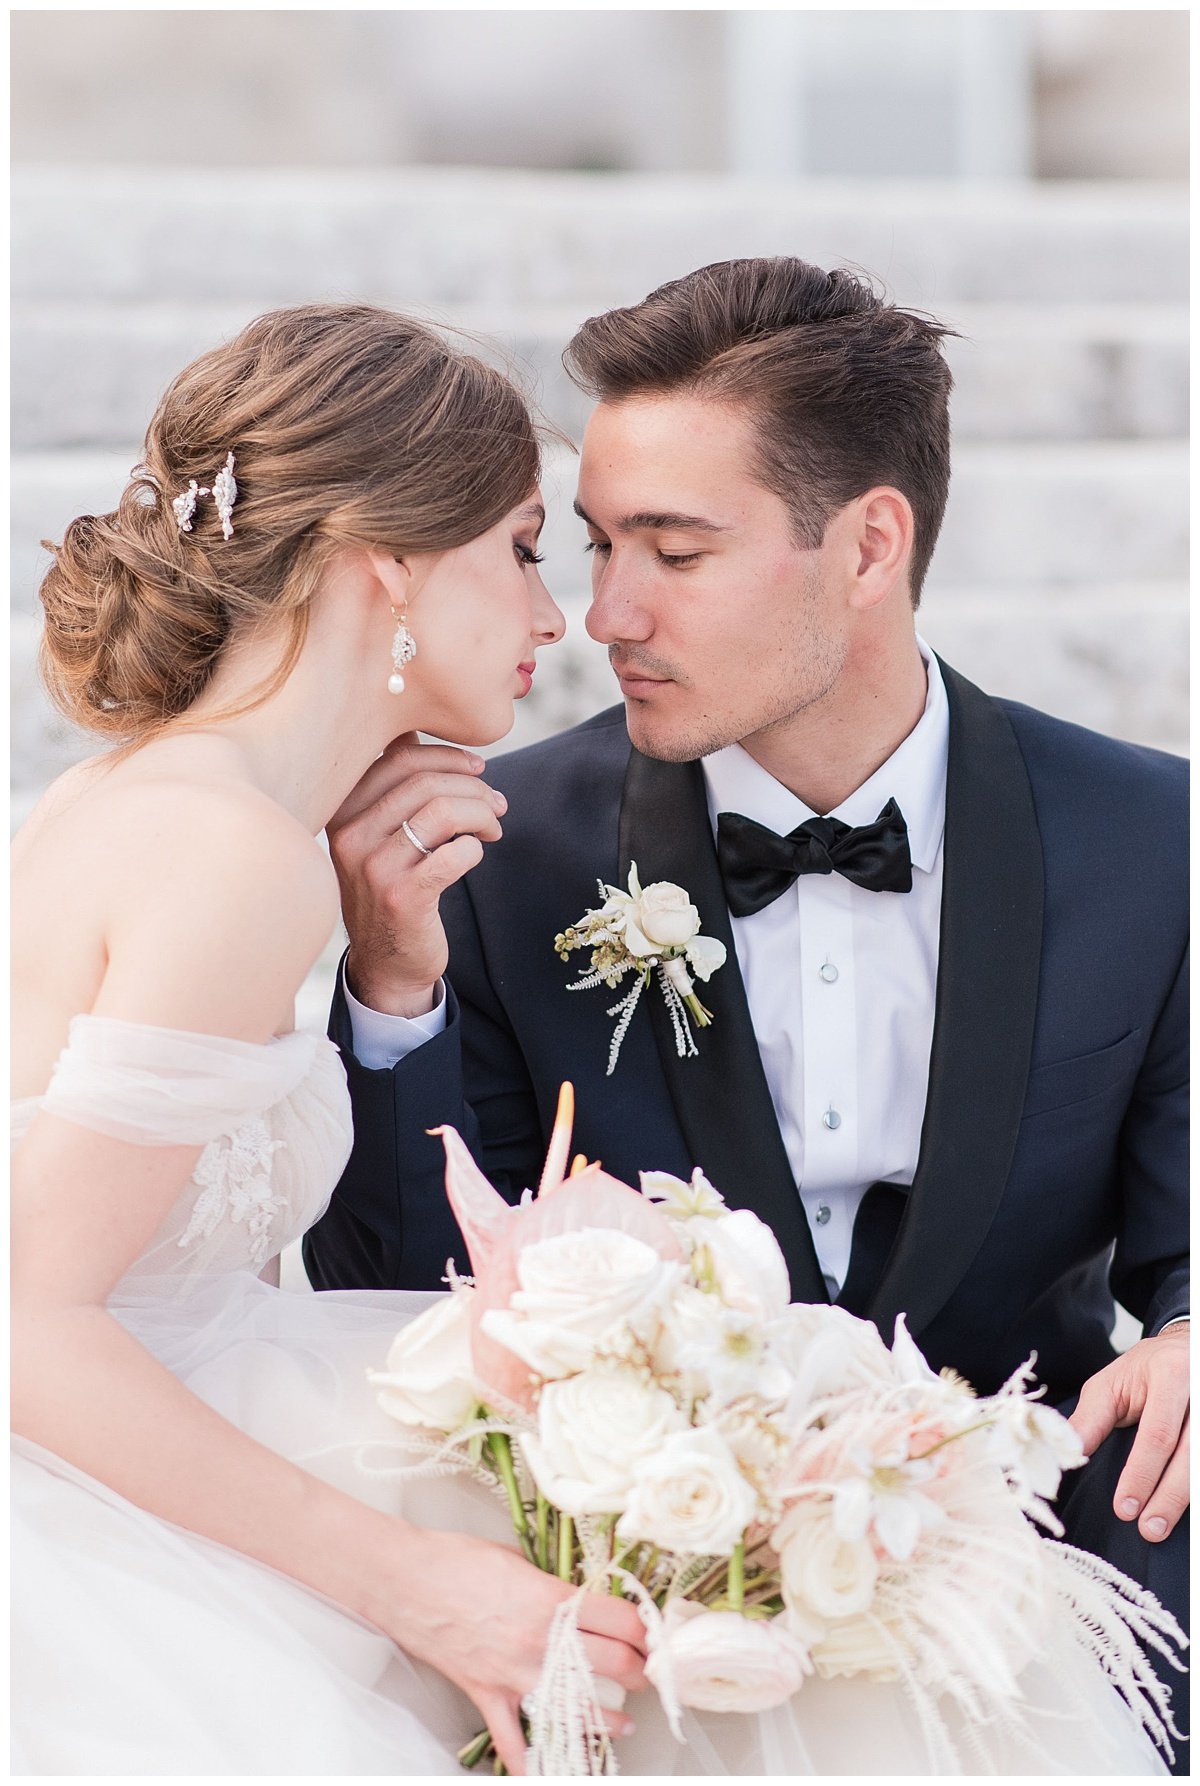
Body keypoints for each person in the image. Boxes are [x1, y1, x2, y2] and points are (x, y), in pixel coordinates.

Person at [306, 259, 1189, 1766]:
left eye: (675, 549)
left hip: (1043, 1550)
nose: (603, 613)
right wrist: (391, 988)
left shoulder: (1151, 837)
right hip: (630, 1595)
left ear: (870, 543)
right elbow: (387, 1297)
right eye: (593, 546)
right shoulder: (501, 848)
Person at [10, 302, 654, 1776]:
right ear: (391, 567)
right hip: (70, 1527)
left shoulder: (140, 799)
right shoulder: (232, 849)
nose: (558, 619)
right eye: (524, 549)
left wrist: (393, 956)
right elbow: (29, 1324)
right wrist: (428, 1589)